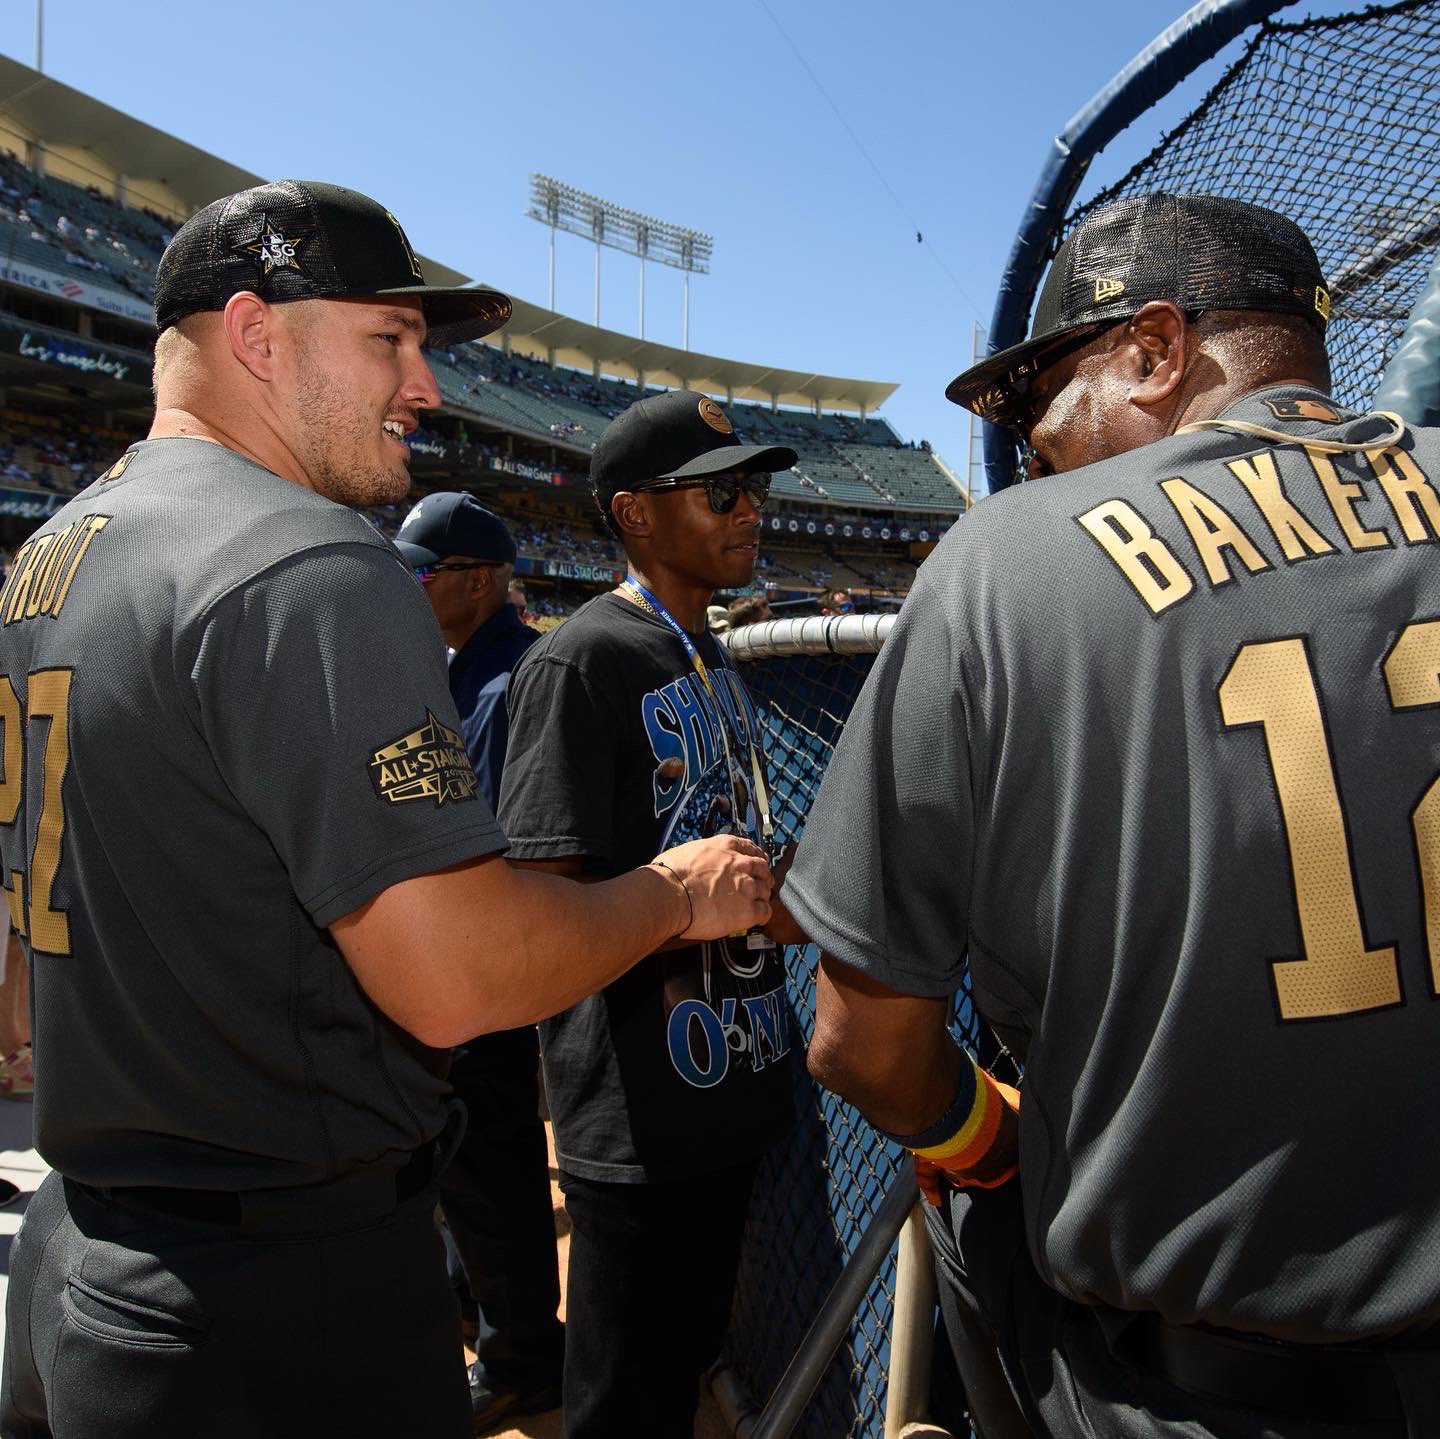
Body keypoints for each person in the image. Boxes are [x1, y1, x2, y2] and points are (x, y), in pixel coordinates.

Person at [0, 180, 771, 1439]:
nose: (425, 387)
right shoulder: (306, 561)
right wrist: (676, 893)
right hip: (272, 1292)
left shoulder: (59, 545)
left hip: (84, 1244)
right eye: (388, 340)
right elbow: (454, 976)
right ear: (256, 334)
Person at [786, 192, 1440, 1438]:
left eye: (1045, 395)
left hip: (1197, 1387)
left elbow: (860, 1040)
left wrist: (983, 1139)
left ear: (1154, 350)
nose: (1031, 441)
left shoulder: (1007, 559)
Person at [499, 389, 801, 1437]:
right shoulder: (581, 660)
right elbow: (537, 910)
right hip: (640, 1116)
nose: (749, 510)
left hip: (734, 1077)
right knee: (624, 1403)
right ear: (633, 512)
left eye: (752, 488)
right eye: (721, 491)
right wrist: (685, 904)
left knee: (677, 1375)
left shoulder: (707, 652)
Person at [394, 492, 564, 1432]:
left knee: (491, 1168)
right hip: (474, 962)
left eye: (418, 574)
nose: (406, 591)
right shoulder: (474, 666)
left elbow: (490, 849)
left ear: (473, 579)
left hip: (490, 968)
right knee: (469, 1169)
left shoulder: (511, 677)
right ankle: (486, 1313)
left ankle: (523, 1358)